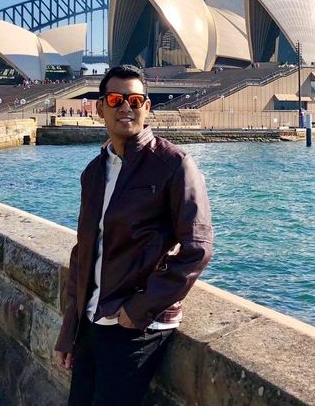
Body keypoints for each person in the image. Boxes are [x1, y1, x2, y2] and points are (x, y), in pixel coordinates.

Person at [55, 65, 213, 405]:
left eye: (135, 99)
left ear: (147, 107)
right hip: (93, 320)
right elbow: (83, 252)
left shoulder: (174, 164)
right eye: (115, 99)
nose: (126, 107)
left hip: (135, 327)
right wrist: (71, 329)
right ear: (100, 108)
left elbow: (197, 248)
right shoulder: (94, 172)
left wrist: (139, 308)